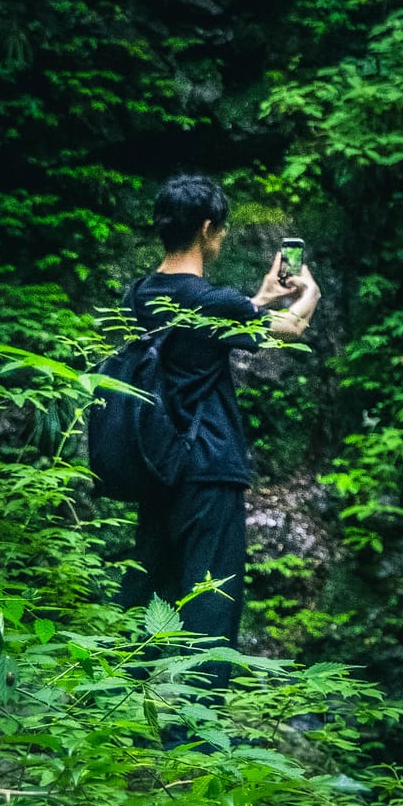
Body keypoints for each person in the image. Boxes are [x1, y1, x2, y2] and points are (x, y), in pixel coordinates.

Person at [121, 170, 320, 681]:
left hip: (156, 465)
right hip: (209, 470)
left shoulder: (138, 296)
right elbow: (291, 329)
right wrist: (306, 295)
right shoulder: (211, 301)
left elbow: (209, 328)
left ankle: (114, 720)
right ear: (209, 228)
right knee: (211, 600)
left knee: (148, 594)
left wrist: (257, 298)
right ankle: (197, 743)